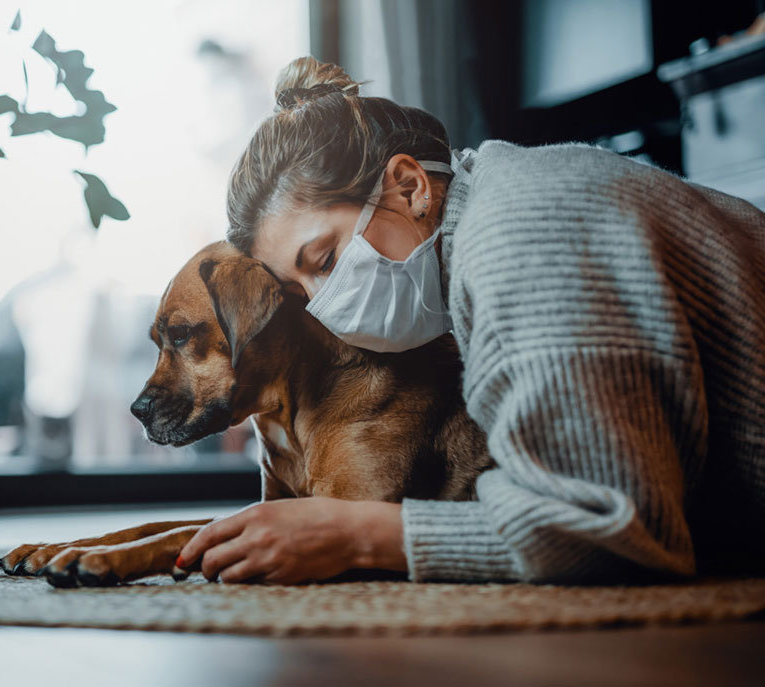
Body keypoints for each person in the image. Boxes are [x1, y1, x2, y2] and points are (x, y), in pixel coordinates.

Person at [178, 56, 765, 585]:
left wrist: (361, 533)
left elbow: (617, 528)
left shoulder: (515, 240)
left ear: (409, 187)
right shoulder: (499, 192)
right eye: (299, 291)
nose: (324, 307)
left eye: (326, 260)